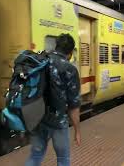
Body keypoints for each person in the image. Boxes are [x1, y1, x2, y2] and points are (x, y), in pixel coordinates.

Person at [26, 34, 81, 166]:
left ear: (56, 46)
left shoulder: (41, 61)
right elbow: (73, 106)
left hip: (37, 119)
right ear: (70, 53)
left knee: (35, 155)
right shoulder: (70, 69)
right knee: (63, 159)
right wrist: (77, 131)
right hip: (58, 122)